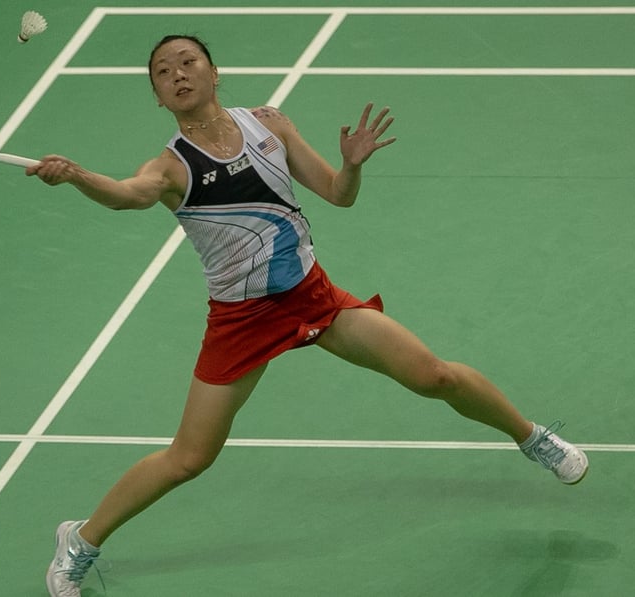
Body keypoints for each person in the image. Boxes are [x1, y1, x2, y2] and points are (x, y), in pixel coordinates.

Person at [30, 34, 589, 597]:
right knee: (189, 458)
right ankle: (80, 539)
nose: (177, 74)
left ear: (214, 71)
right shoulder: (172, 167)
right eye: (162, 72)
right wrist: (78, 176)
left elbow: (337, 194)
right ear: (157, 96)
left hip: (311, 296)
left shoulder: (269, 125)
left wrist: (350, 166)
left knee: (433, 375)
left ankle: (533, 437)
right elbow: (128, 194)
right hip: (241, 320)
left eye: (188, 61)